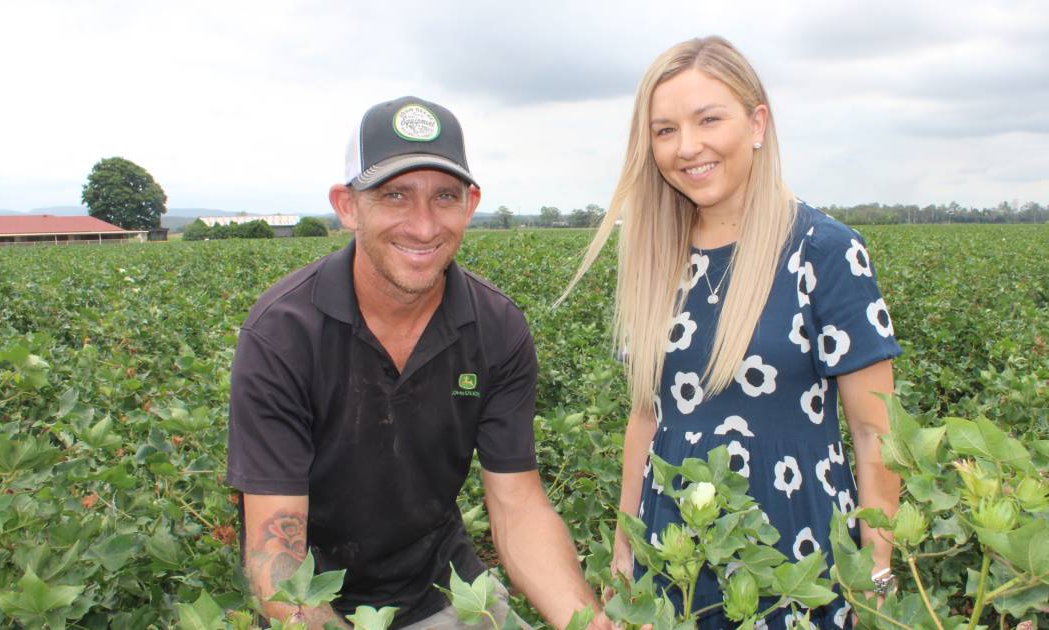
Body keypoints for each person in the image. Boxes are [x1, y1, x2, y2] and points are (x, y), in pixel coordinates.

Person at [227, 96, 607, 629]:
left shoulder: (496, 327)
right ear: (347, 205)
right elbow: (277, 550)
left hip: (446, 591)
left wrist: (588, 622)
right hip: (316, 609)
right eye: (395, 196)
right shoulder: (283, 333)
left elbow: (517, 505)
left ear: (470, 204)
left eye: (444, 196)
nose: (424, 226)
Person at [562, 37, 902, 628]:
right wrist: (626, 547)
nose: (687, 146)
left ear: (757, 124)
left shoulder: (824, 250)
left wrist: (875, 570)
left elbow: (877, 433)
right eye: (664, 130)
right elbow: (647, 418)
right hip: (674, 557)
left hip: (797, 557)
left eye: (708, 119)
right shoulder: (651, 256)